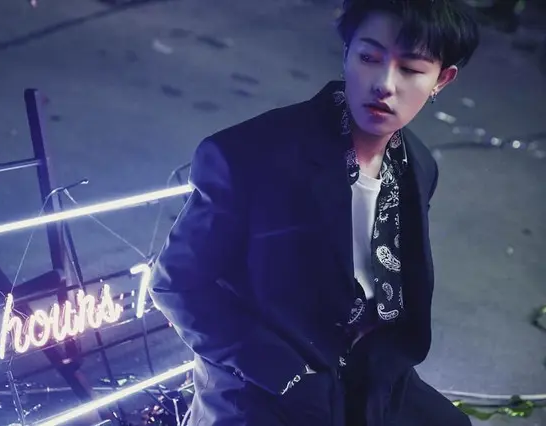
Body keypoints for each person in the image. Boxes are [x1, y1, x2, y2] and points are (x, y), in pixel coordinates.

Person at [148, 0, 480, 425]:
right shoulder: (247, 156)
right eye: (369, 57)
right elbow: (177, 285)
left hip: (369, 372)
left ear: (441, 80)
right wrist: (288, 376)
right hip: (266, 384)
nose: (384, 84)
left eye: (411, 69)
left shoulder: (418, 167)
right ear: (347, 52)